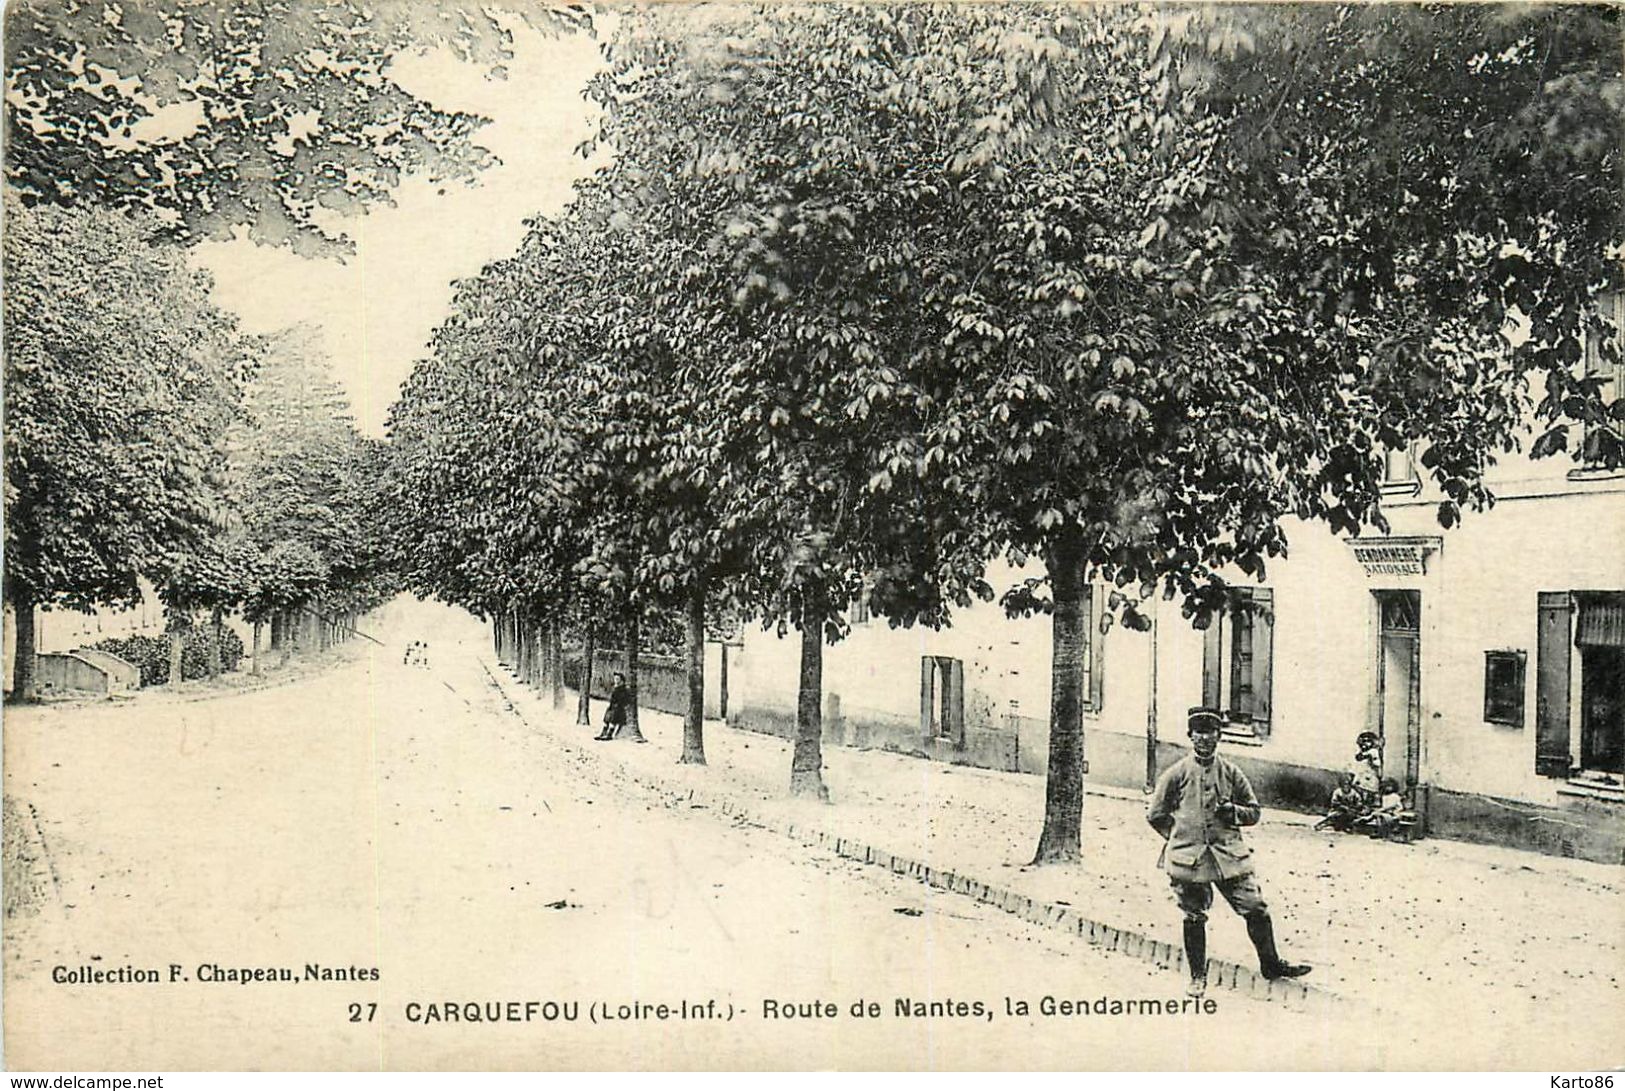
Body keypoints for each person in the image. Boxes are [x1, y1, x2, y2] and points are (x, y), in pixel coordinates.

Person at [1147, 707, 1312, 997]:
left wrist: (1233, 812)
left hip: (1228, 857)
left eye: (1210, 732)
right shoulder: (1176, 774)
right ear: (1190, 736)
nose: (1204, 738)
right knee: (1194, 915)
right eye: (1198, 732)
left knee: (1256, 908)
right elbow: (1156, 814)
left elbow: (1254, 812)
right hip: (1189, 859)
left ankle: (1271, 964)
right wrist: (1179, 836)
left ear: (1219, 736)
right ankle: (1197, 976)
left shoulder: (1232, 773)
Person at [595, 673, 632, 741]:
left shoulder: (623, 689)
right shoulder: (615, 688)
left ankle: (609, 735)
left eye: (618, 679)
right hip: (612, 706)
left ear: (622, 681)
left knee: (613, 721)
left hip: (618, 708)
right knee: (606, 720)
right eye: (615, 679)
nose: (616, 680)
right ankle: (603, 734)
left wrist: (619, 704)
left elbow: (625, 700)